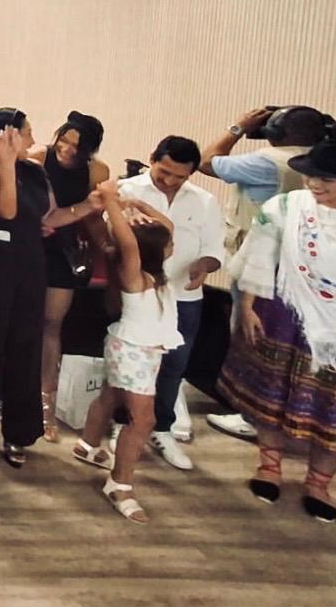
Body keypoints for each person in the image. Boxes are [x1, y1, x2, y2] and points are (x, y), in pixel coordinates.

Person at [219, 141, 336, 522]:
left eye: (327, 179)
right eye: (311, 175)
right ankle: (269, 466)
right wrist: (247, 305)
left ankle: (319, 483)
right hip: (284, 312)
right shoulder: (284, 207)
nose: (315, 184)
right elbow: (259, 256)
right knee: (274, 392)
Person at [0, 108, 102, 467]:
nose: (34, 140)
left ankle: (18, 432)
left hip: (30, 261)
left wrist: (88, 206)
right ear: (5, 135)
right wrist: (4, 162)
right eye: (27, 132)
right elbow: (5, 210)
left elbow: (50, 217)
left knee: (25, 345)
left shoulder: (36, 171)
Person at [201, 105, 336, 441]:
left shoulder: (268, 161)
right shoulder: (323, 162)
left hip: (262, 263)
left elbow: (207, 161)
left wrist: (239, 126)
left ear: (278, 132)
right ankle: (287, 412)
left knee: (251, 336)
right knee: (290, 342)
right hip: (306, 265)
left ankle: (251, 413)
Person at [74, 179, 179, 522]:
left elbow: (168, 228)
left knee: (110, 396)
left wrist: (139, 206)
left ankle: (88, 445)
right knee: (143, 420)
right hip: (135, 352)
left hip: (135, 350)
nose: (172, 245)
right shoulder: (134, 274)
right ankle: (120, 484)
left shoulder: (152, 272)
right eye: (168, 245)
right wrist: (112, 202)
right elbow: (130, 243)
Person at [117, 136, 224, 471]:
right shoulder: (126, 191)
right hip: (137, 296)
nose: (169, 181)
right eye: (164, 172)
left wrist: (204, 265)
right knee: (129, 366)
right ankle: (122, 425)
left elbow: (214, 248)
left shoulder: (204, 201)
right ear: (152, 159)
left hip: (184, 297)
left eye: (180, 176)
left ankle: (161, 428)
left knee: (174, 366)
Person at [33, 111, 110, 443]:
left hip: (63, 250)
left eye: (76, 147)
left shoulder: (97, 171)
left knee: (52, 325)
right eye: (63, 141)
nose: (66, 150)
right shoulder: (39, 156)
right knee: (21, 323)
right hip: (28, 243)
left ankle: (45, 403)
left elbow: (93, 218)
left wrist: (107, 246)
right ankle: (11, 396)